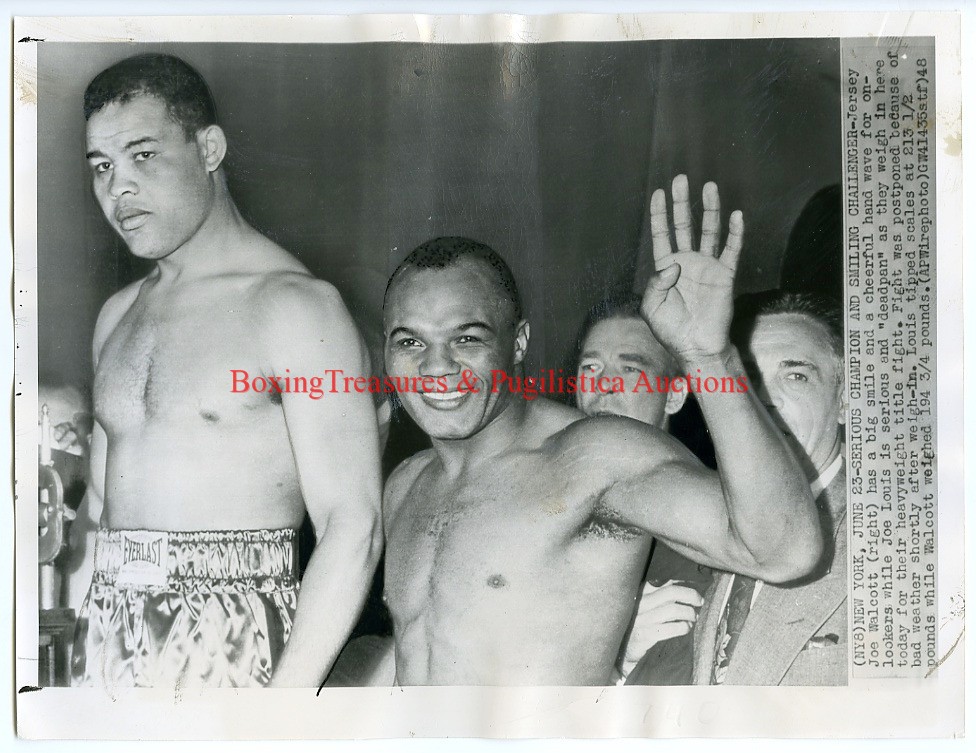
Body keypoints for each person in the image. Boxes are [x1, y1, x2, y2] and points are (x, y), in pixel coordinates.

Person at [380, 175, 823, 685]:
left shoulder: (595, 456)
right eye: (410, 342)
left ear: (518, 344)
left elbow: (783, 551)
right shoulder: (406, 485)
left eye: (467, 339)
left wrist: (708, 356)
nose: (437, 368)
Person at [72, 53, 382, 689]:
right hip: (107, 631)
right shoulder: (116, 316)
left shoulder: (295, 306)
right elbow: (102, 505)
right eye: (101, 166)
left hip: (234, 637)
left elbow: (355, 525)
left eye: (143, 155)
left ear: (208, 147)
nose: (117, 187)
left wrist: (282, 708)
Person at [692, 290, 848, 686]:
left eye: (795, 376)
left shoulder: (895, 547)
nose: (763, 400)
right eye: (747, 378)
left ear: (847, 397)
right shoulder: (713, 517)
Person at [574, 295, 710, 685]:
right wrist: (612, 649)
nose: (603, 385)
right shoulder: (542, 503)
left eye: (629, 369)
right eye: (590, 367)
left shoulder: (702, 520)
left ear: (673, 395)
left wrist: (618, 663)